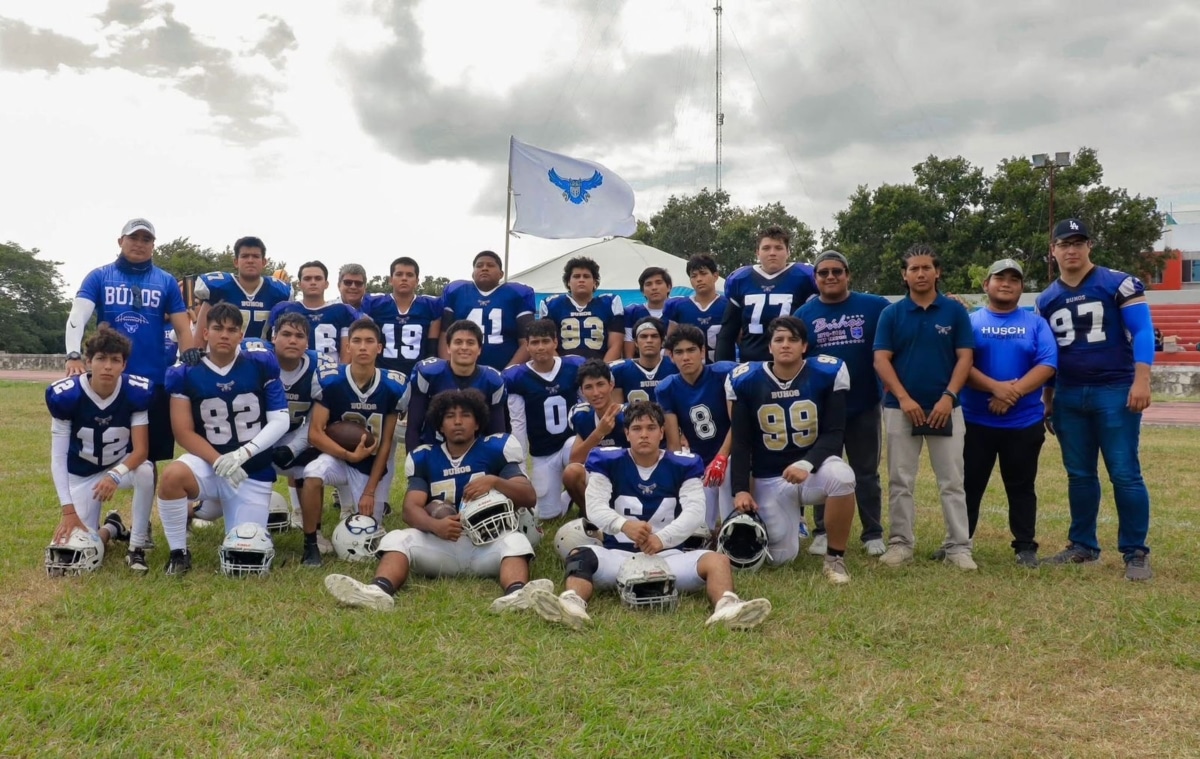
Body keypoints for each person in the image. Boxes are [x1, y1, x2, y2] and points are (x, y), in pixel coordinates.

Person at [524, 401, 772, 630]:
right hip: (618, 555)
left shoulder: (683, 464)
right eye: (637, 428)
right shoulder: (607, 461)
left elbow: (696, 512)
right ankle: (572, 605)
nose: (644, 434)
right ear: (626, 433)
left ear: (662, 432)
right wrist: (624, 525)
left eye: (651, 428)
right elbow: (595, 506)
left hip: (669, 555)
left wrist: (661, 539)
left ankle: (727, 607)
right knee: (580, 555)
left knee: (717, 561)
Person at [323, 389, 540, 612]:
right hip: (443, 546)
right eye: (450, 416)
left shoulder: (495, 449)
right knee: (397, 538)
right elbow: (410, 509)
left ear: (477, 423)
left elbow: (528, 496)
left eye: (465, 415)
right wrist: (435, 525)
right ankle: (378, 591)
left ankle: (516, 594)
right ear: (440, 426)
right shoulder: (425, 457)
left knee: (516, 541)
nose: (457, 422)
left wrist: (495, 481)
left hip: (488, 545)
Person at [1035, 218, 1155, 580]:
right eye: (1064, 244)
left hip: (1114, 388)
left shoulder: (1117, 283)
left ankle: (1135, 551)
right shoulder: (1046, 299)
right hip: (1069, 392)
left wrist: (1142, 379)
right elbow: (1048, 353)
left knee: (1124, 472)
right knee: (1079, 474)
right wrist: (1048, 398)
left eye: (1078, 242)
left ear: (1089, 246)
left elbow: (1142, 330)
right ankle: (1083, 546)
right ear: (1053, 251)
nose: (1071, 250)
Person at [156, 304, 290, 575]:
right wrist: (218, 460)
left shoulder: (260, 363)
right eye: (218, 328)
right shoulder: (186, 372)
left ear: (241, 335)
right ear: (205, 333)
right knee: (171, 477)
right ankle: (178, 552)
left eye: (232, 329)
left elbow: (280, 420)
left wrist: (243, 454)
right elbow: (183, 432)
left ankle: (199, 510)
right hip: (209, 464)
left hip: (250, 470)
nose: (225, 335)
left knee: (246, 557)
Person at [726, 316, 859, 584]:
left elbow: (834, 433)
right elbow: (741, 441)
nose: (785, 344)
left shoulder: (825, 373)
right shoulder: (747, 380)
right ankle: (792, 525)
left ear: (804, 346)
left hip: (813, 471)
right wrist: (740, 489)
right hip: (769, 477)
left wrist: (806, 464)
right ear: (770, 347)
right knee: (781, 557)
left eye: (793, 339)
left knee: (843, 477)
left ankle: (834, 557)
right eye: (779, 339)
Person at [873, 243, 976, 570]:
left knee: (952, 481)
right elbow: (881, 359)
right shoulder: (891, 314)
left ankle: (958, 547)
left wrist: (949, 397)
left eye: (926, 268)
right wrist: (904, 398)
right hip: (900, 408)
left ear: (937, 272)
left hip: (946, 408)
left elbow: (965, 357)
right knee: (900, 480)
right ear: (904, 275)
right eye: (913, 269)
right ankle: (900, 543)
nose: (920, 274)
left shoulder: (954, 312)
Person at [66, 218, 192, 465]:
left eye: (146, 239)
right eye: (133, 237)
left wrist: (188, 368)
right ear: (120, 241)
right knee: (100, 452)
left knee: (148, 458)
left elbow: (183, 328)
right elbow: (77, 316)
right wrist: (73, 355)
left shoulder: (166, 281)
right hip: (110, 379)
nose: (139, 244)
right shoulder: (99, 277)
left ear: (153, 245)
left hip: (154, 381)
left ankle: (143, 494)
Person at [961, 258, 1057, 568]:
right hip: (975, 420)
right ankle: (960, 543)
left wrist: (1010, 394)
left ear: (1021, 287)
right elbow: (961, 364)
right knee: (968, 485)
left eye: (1013, 279)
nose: (1006, 283)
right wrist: (996, 388)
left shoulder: (1036, 323)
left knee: (1022, 487)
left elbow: (1047, 364)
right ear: (985, 284)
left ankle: (1025, 546)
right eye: (999, 278)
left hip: (1023, 422)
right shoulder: (970, 322)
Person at [797, 250, 891, 556]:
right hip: (822, 409)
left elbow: (906, 319)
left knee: (866, 472)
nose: (830, 277)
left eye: (837, 271)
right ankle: (822, 531)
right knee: (822, 471)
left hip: (864, 403)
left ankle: (872, 533)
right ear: (815, 279)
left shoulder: (874, 306)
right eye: (823, 272)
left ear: (848, 275)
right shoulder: (804, 314)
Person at [46, 325, 156, 572]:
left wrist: (115, 474)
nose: (108, 366)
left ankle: (136, 548)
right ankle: (113, 528)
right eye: (101, 359)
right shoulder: (66, 396)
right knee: (82, 543)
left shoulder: (135, 392)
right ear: (88, 362)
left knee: (145, 471)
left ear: (124, 365)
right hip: (81, 473)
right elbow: (58, 457)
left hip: (118, 466)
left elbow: (141, 451)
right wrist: (68, 510)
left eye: (115, 360)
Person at [299, 318, 408, 566]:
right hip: (338, 457)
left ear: (379, 348)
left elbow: (386, 444)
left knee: (369, 532)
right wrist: (348, 455)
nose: (363, 347)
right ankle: (310, 543)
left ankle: (364, 507)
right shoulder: (331, 380)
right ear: (348, 347)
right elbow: (315, 433)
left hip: (371, 464)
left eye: (369, 341)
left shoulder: (394, 385)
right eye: (356, 341)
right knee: (312, 473)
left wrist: (369, 491)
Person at [655, 325, 738, 530]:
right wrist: (678, 473)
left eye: (691, 350)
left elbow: (739, 424)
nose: (686, 357)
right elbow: (674, 442)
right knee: (698, 528)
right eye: (679, 352)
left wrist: (721, 458)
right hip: (701, 461)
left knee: (728, 474)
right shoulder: (667, 388)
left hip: (734, 455)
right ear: (671, 357)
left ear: (702, 351)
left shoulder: (724, 374)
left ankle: (731, 530)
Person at [503, 319, 585, 520]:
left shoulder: (574, 366)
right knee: (548, 515)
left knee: (582, 467)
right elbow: (518, 425)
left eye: (545, 341)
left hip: (572, 443)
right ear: (527, 346)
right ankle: (567, 498)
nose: (540, 347)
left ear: (555, 342)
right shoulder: (516, 377)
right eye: (535, 342)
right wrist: (522, 468)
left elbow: (588, 407)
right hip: (543, 453)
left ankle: (589, 507)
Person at [716, 226, 817, 363]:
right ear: (757, 252)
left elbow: (815, 329)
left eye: (778, 248)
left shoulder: (804, 277)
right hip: (752, 364)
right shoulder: (740, 279)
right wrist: (724, 367)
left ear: (788, 252)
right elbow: (727, 333)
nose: (772, 253)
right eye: (766, 248)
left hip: (793, 365)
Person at [405, 320, 507, 452]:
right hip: (434, 450)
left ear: (479, 349)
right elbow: (413, 426)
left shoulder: (493, 381)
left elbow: (497, 434)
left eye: (470, 343)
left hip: (476, 453)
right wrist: (414, 459)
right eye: (458, 342)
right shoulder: (428, 373)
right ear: (448, 347)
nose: (464, 347)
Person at [440, 250, 536, 370]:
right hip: (461, 371)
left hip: (505, 368)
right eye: (479, 266)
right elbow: (444, 335)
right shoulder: (456, 291)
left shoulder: (517, 293)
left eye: (490, 265)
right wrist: (449, 370)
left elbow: (527, 341)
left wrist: (508, 372)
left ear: (501, 274)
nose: (484, 268)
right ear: (473, 273)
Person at [192, 236, 291, 345]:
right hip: (224, 354)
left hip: (263, 354)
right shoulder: (219, 287)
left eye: (255, 256)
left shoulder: (278, 292)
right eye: (245, 256)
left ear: (264, 262)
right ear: (236, 262)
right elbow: (201, 335)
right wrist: (198, 351)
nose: (250, 261)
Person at [360, 256, 442, 380]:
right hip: (382, 375)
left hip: (417, 374)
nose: (404, 278)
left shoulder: (430, 305)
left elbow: (432, 349)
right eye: (399, 274)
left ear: (417, 281)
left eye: (409, 275)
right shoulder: (375, 304)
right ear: (390, 280)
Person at [562, 359, 628, 513]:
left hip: (630, 476)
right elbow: (575, 460)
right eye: (588, 387)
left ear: (611, 385)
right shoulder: (582, 415)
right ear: (582, 391)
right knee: (571, 473)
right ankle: (592, 516)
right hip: (600, 476)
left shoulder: (629, 414)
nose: (596, 393)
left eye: (600, 384)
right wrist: (599, 432)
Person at [267, 261, 359, 361]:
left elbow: (347, 352)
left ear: (326, 284)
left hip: (331, 368)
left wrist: (341, 370)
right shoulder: (284, 309)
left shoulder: (342, 311)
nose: (313, 282)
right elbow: (276, 347)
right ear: (299, 284)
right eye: (307, 278)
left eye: (318, 278)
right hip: (294, 368)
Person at [538, 256, 625, 361]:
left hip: (600, 365)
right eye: (576, 276)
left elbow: (616, 345)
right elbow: (547, 345)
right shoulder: (552, 305)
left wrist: (602, 368)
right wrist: (562, 367)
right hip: (564, 366)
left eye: (586, 276)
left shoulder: (609, 303)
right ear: (568, 282)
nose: (581, 280)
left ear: (594, 282)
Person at [667, 253, 728, 363]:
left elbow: (741, 341)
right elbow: (670, 345)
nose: (699, 279)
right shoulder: (678, 307)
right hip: (690, 370)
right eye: (694, 276)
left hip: (723, 369)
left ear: (715, 276)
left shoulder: (728, 305)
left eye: (703, 274)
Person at [610, 317, 678, 404]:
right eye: (643, 336)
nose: (649, 340)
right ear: (635, 342)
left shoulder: (675, 366)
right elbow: (618, 409)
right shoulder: (619, 371)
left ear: (662, 341)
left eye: (654, 336)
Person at [622, 267, 677, 358]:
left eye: (658, 283)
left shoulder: (679, 309)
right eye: (648, 284)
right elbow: (629, 348)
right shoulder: (632, 312)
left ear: (669, 287)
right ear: (642, 291)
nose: (654, 288)